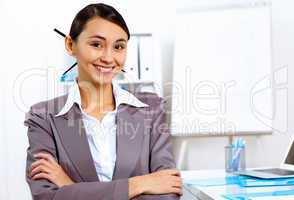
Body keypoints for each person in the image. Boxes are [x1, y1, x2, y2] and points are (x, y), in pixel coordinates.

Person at [24, 3, 182, 200]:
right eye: (96, 44)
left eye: (118, 46)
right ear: (70, 45)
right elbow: (46, 197)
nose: (108, 58)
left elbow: (167, 192)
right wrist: (137, 184)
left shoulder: (152, 109)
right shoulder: (43, 117)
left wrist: (69, 186)